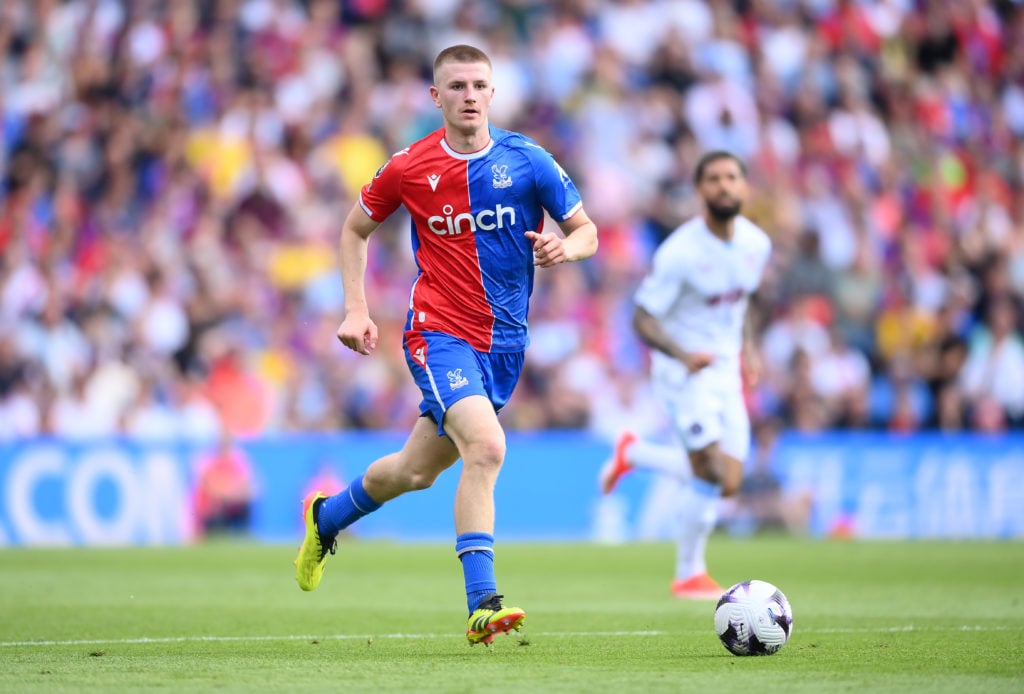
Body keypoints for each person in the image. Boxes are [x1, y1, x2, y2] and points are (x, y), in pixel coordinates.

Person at [294, 44, 599, 645]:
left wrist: (569, 248)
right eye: (455, 86)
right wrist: (356, 307)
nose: (468, 96)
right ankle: (482, 604)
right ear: (436, 97)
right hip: (438, 334)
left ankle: (326, 517)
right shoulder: (410, 166)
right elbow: (354, 229)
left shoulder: (529, 160)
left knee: (413, 472)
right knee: (486, 447)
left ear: (493, 93)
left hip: (504, 345)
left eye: (478, 85)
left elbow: (587, 229)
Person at [599, 150, 771, 599]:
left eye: (731, 177)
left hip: (727, 370)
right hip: (683, 374)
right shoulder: (680, 253)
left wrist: (749, 347)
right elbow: (642, 317)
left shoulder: (756, 244)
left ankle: (634, 454)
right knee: (709, 471)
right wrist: (682, 354)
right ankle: (689, 573)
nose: (723, 186)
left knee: (730, 481)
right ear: (699, 191)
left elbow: (742, 300)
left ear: (744, 186)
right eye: (713, 179)